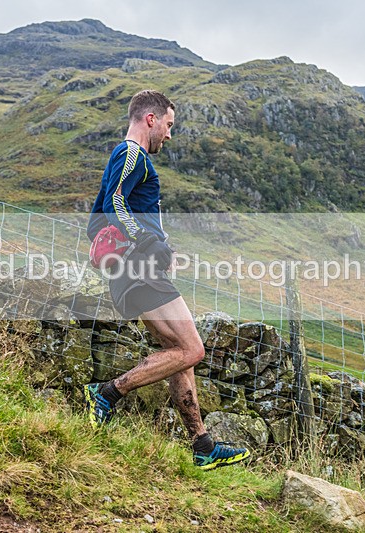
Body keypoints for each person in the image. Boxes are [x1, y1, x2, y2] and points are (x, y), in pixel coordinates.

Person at [84, 90, 250, 470]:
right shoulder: (132, 154)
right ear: (150, 119)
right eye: (169, 126)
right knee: (193, 350)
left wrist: (156, 246)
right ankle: (108, 392)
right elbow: (115, 206)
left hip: (133, 270)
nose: (169, 135)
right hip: (139, 268)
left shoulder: (127, 157)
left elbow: (102, 218)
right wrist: (146, 243)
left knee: (180, 357)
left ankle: (202, 444)